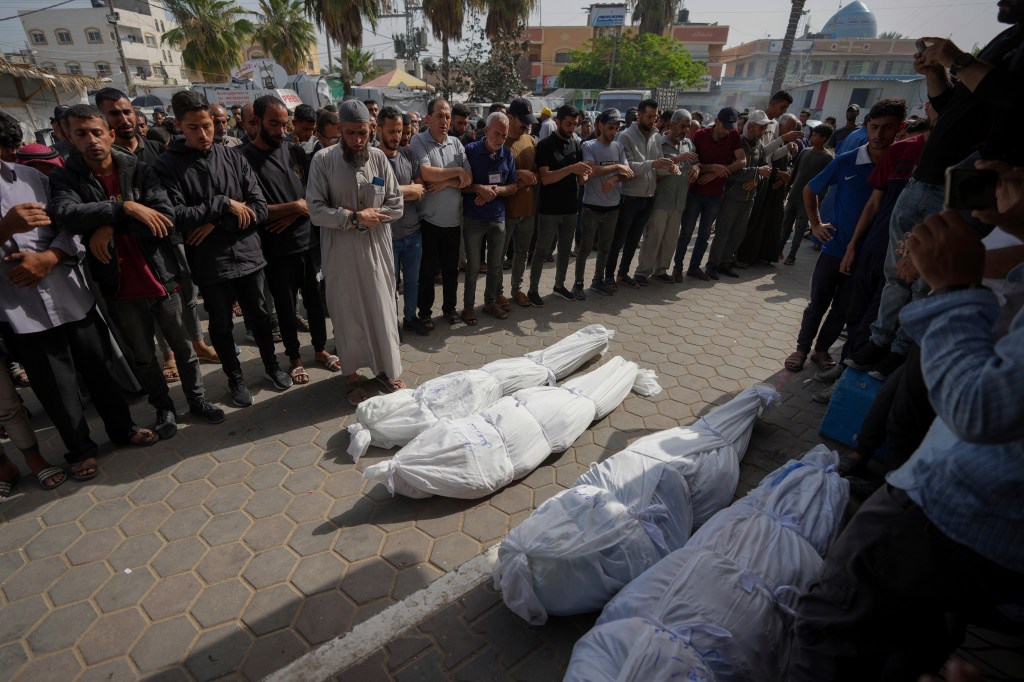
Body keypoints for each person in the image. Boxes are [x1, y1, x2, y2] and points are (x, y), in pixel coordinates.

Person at [788, 161, 1024, 682]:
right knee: (911, 640)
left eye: (1008, 176)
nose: (994, 186)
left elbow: (982, 410)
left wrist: (957, 287)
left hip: (954, 513)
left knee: (832, 630)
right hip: (978, 526)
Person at [848, 0, 1024, 380]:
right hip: (926, 176)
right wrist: (935, 71)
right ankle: (880, 340)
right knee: (898, 266)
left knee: (930, 271)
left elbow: (1013, 96)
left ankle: (900, 349)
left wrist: (958, 59)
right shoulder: (1010, 36)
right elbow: (955, 108)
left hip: (976, 174)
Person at [49, 103, 225, 438]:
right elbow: (65, 214)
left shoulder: (140, 169)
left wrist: (108, 226)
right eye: (81, 134)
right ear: (69, 137)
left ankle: (197, 400)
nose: (91, 140)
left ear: (110, 134)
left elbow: (164, 219)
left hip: (160, 275)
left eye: (97, 132)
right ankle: (164, 409)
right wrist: (125, 207)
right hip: (118, 286)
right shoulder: (65, 176)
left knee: (184, 348)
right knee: (145, 357)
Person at [0, 156, 158, 481]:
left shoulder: (31, 177)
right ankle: (80, 450)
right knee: (56, 387)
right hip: (21, 308)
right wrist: (6, 228)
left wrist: (50, 257)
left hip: (68, 292)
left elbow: (70, 224)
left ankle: (122, 428)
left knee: (100, 368)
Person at [153, 90, 289, 407]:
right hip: (210, 263)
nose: (203, 133)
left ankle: (271, 366)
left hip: (249, 255)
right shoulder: (167, 166)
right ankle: (234, 377)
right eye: (194, 127)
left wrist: (215, 221)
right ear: (179, 126)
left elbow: (259, 208)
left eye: (209, 125)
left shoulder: (233, 157)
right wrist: (224, 204)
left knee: (259, 316)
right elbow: (174, 218)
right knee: (222, 325)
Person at [784, 98, 906, 374]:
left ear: (900, 128)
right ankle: (802, 348)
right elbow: (810, 189)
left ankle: (822, 349)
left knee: (845, 309)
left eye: (887, 128)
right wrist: (815, 224)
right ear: (866, 127)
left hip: (870, 253)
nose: (879, 135)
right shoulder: (848, 160)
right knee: (818, 303)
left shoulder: (900, 164)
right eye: (874, 127)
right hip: (835, 246)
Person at [306, 100, 406, 406]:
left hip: (377, 250)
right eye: (350, 133)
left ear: (371, 129)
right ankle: (351, 376)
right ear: (339, 130)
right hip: (342, 253)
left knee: (382, 309)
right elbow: (315, 209)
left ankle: (387, 370)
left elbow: (396, 203)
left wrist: (373, 217)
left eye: (362, 133)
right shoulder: (323, 160)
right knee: (347, 312)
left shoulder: (378, 159)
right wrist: (352, 219)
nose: (357, 140)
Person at [241, 95, 335, 385]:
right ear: (256, 122)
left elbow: (313, 197)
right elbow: (250, 210)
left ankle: (319, 349)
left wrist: (295, 209)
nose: (282, 131)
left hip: (308, 242)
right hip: (277, 249)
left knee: (316, 301)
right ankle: (294, 358)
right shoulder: (243, 160)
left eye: (285, 124)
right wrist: (293, 207)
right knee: (285, 306)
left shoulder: (295, 153)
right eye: (274, 124)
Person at [606, 98, 681, 289]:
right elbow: (627, 167)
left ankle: (623, 274)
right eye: (649, 116)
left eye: (655, 117)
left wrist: (669, 167)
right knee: (619, 239)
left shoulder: (656, 136)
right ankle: (608, 276)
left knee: (634, 240)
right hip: (629, 196)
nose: (653, 121)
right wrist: (654, 164)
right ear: (639, 115)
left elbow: (657, 165)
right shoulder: (625, 136)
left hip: (648, 197)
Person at [411, 98, 472, 327]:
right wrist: (455, 172)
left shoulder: (456, 144)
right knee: (427, 272)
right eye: (440, 116)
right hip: (428, 221)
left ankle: (449, 309)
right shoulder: (420, 141)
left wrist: (446, 183)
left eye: (447, 116)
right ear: (428, 118)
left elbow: (469, 178)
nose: (445, 121)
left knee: (451, 271)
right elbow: (426, 173)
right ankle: (425, 313)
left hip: (453, 222)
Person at [526, 104, 591, 306]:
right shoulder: (545, 145)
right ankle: (533, 290)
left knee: (564, 250)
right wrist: (572, 168)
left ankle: (559, 285)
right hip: (549, 210)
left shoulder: (576, 144)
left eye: (575, 125)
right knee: (541, 251)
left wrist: (584, 175)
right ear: (558, 121)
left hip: (571, 208)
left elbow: (581, 179)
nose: (572, 128)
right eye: (569, 124)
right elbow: (545, 178)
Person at [672, 107, 746, 282]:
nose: (727, 130)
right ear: (717, 121)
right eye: (724, 125)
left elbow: (742, 160)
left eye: (730, 126)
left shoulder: (734, 135)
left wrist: (720, 171)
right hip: (694, 193)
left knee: (704, 235)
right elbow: (691, 162)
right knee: (686, 233)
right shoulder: (700, 135)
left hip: (715, 194)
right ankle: (677, 267)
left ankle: (694, 267)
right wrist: (712, 167)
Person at [461, 112, 518, 323]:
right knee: (473, 266)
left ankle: (490, 302)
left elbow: (513, 186)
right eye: (496, 134)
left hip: (497, 218)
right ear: (485, 131)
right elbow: (461, 184)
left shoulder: (508, 155)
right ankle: (468, 307)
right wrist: (479, 189)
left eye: (504, 135)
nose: (500, 139)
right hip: (474, 219)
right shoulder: (470, 151)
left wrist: (495, 191)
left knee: (495, 265)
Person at [377, 107, 429, 335]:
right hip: (386, 236)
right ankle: (390, 326)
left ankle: (410, 318)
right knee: (389, 287)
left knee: (412, 282)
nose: (396, 136)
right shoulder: (373, 159)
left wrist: (396, 192)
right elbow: (377, 195)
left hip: (412, 232)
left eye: (399, 131)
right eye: (391, 131)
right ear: (378, 130)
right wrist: (406, 190)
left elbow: (421, 189)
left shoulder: (408, 154)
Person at [704, 111, 773, 280]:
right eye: (761, 128)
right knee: (723, 233)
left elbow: (766, 169)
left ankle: (725, 263)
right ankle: (712, 265)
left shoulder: (759, 147)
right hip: (731, 197)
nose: (763, 131)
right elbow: (729, 172)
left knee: (737, 234)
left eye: (764, 128)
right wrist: (756, 172)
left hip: (749, 197)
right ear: (750, 127)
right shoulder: (736, 144)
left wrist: (756, 180)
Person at [635, 109, 698, 285]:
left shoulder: (688, 144)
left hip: (678, 201)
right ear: (671, 124)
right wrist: (677, 160)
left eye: (688, 127)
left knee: (670, 239)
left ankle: (661, 270)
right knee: (653, 238)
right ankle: (642, 272)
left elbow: (695, 162)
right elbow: (653, 172)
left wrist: (696, 169)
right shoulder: (659, 144)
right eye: (682, 126)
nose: (685, 130)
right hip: (660, 200)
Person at [734, 111, 802, 267]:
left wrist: (786, 147)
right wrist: (782, 140)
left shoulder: (771, 131)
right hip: (753, 179)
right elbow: (763, 154)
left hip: (763, 179)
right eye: (790, 127)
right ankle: (736, 256)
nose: (763, 131)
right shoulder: (746, 140)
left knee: (757, 221)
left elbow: (770, 156)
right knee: (745, 223)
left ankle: (743, 256)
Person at [578, 109, 632, 297]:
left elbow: (628, 173)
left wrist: (614, 179)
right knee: (585, 248)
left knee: (605, 249)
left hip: (613, 207)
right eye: (610, 127)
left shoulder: (618, 147)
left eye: (617, 128)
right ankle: (578, 283)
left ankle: (597, 280)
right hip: (592, 207)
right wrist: (617, 167)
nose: (614, 132)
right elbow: (592, 170)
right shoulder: (589, 146)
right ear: (600, 126)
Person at [498, 98, 539, 308]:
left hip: (528, 208)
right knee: (499, 255)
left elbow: (539, 171)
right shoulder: (499, 142)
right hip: (505, 211)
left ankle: (517, 289)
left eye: (529, 121)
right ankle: (497, 293)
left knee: (522, 253)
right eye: (523, 121)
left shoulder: (530, 141)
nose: (526, 126)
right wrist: (517, 173)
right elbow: (492, 175)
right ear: (510, 117)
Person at [778, 124, 835, 264]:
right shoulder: (805, 152)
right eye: (813, 134)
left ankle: (792, 255)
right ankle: (777, 251)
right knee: (785, 226)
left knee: (799, 228)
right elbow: (795, 172)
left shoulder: (828, 158)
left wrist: (817, 202)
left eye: (815, 135)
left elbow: (826, 183)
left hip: (807, 201)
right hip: (794, 196)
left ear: (823, 138)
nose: (812, 137)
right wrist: (787, 189)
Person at [95, 88, 163, 165]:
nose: (124, 120)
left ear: (133, 112)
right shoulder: (103, 157)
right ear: (101, 117)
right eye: (115, 114)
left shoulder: (157, 148)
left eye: (127, 112)